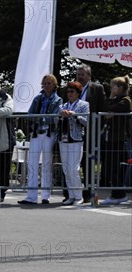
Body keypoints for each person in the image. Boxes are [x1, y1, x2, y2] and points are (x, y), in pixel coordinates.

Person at [18, 74, 62, 205]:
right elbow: (30, 114)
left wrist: (41, 117)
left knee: (47, 164)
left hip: (49, 133)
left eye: (49, 83)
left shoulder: (58, 100)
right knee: (32, 164)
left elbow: (54, 117)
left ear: (54, 85)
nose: (47, 85)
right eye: (45, 83)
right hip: (37, 133)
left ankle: (45, 196)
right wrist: (41, 117)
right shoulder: (37, 98)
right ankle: (31, 196)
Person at [64, 64, 106, 202]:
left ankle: (87, 193)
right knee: (70, 164)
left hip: (89, 130)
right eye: (78, 74)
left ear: (89, 76)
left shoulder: (97, 88)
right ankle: (70, 194)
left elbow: (101, 109)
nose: (80, 77)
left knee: (87, 162)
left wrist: (98, 128)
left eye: (83, 75)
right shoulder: (73, 88)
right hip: (72, 132)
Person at [100, 76, 131, 205]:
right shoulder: (115, 100)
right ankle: (118, 194)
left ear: (120, 88)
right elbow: (105, 107)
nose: (111, 89)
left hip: (118, 139)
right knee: (109, 167)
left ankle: (118, 194)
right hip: (110, 138)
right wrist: (110, 106)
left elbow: (113, 108)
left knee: (113, 167)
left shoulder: (126, 100)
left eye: (113, 86)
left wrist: (111, 104)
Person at [58, 81, 89, 206]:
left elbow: (86, 121)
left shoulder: (84, 104)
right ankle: (71, 196)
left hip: (76, 139)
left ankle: (78, 196)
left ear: (78, 93)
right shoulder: (63, 105)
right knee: (66, 169)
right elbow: (56, 119)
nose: (69, 94)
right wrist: (60, 116)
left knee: (73, 169)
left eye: (72, 91)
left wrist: (75, 115)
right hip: (63, 139)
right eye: (68, 91)